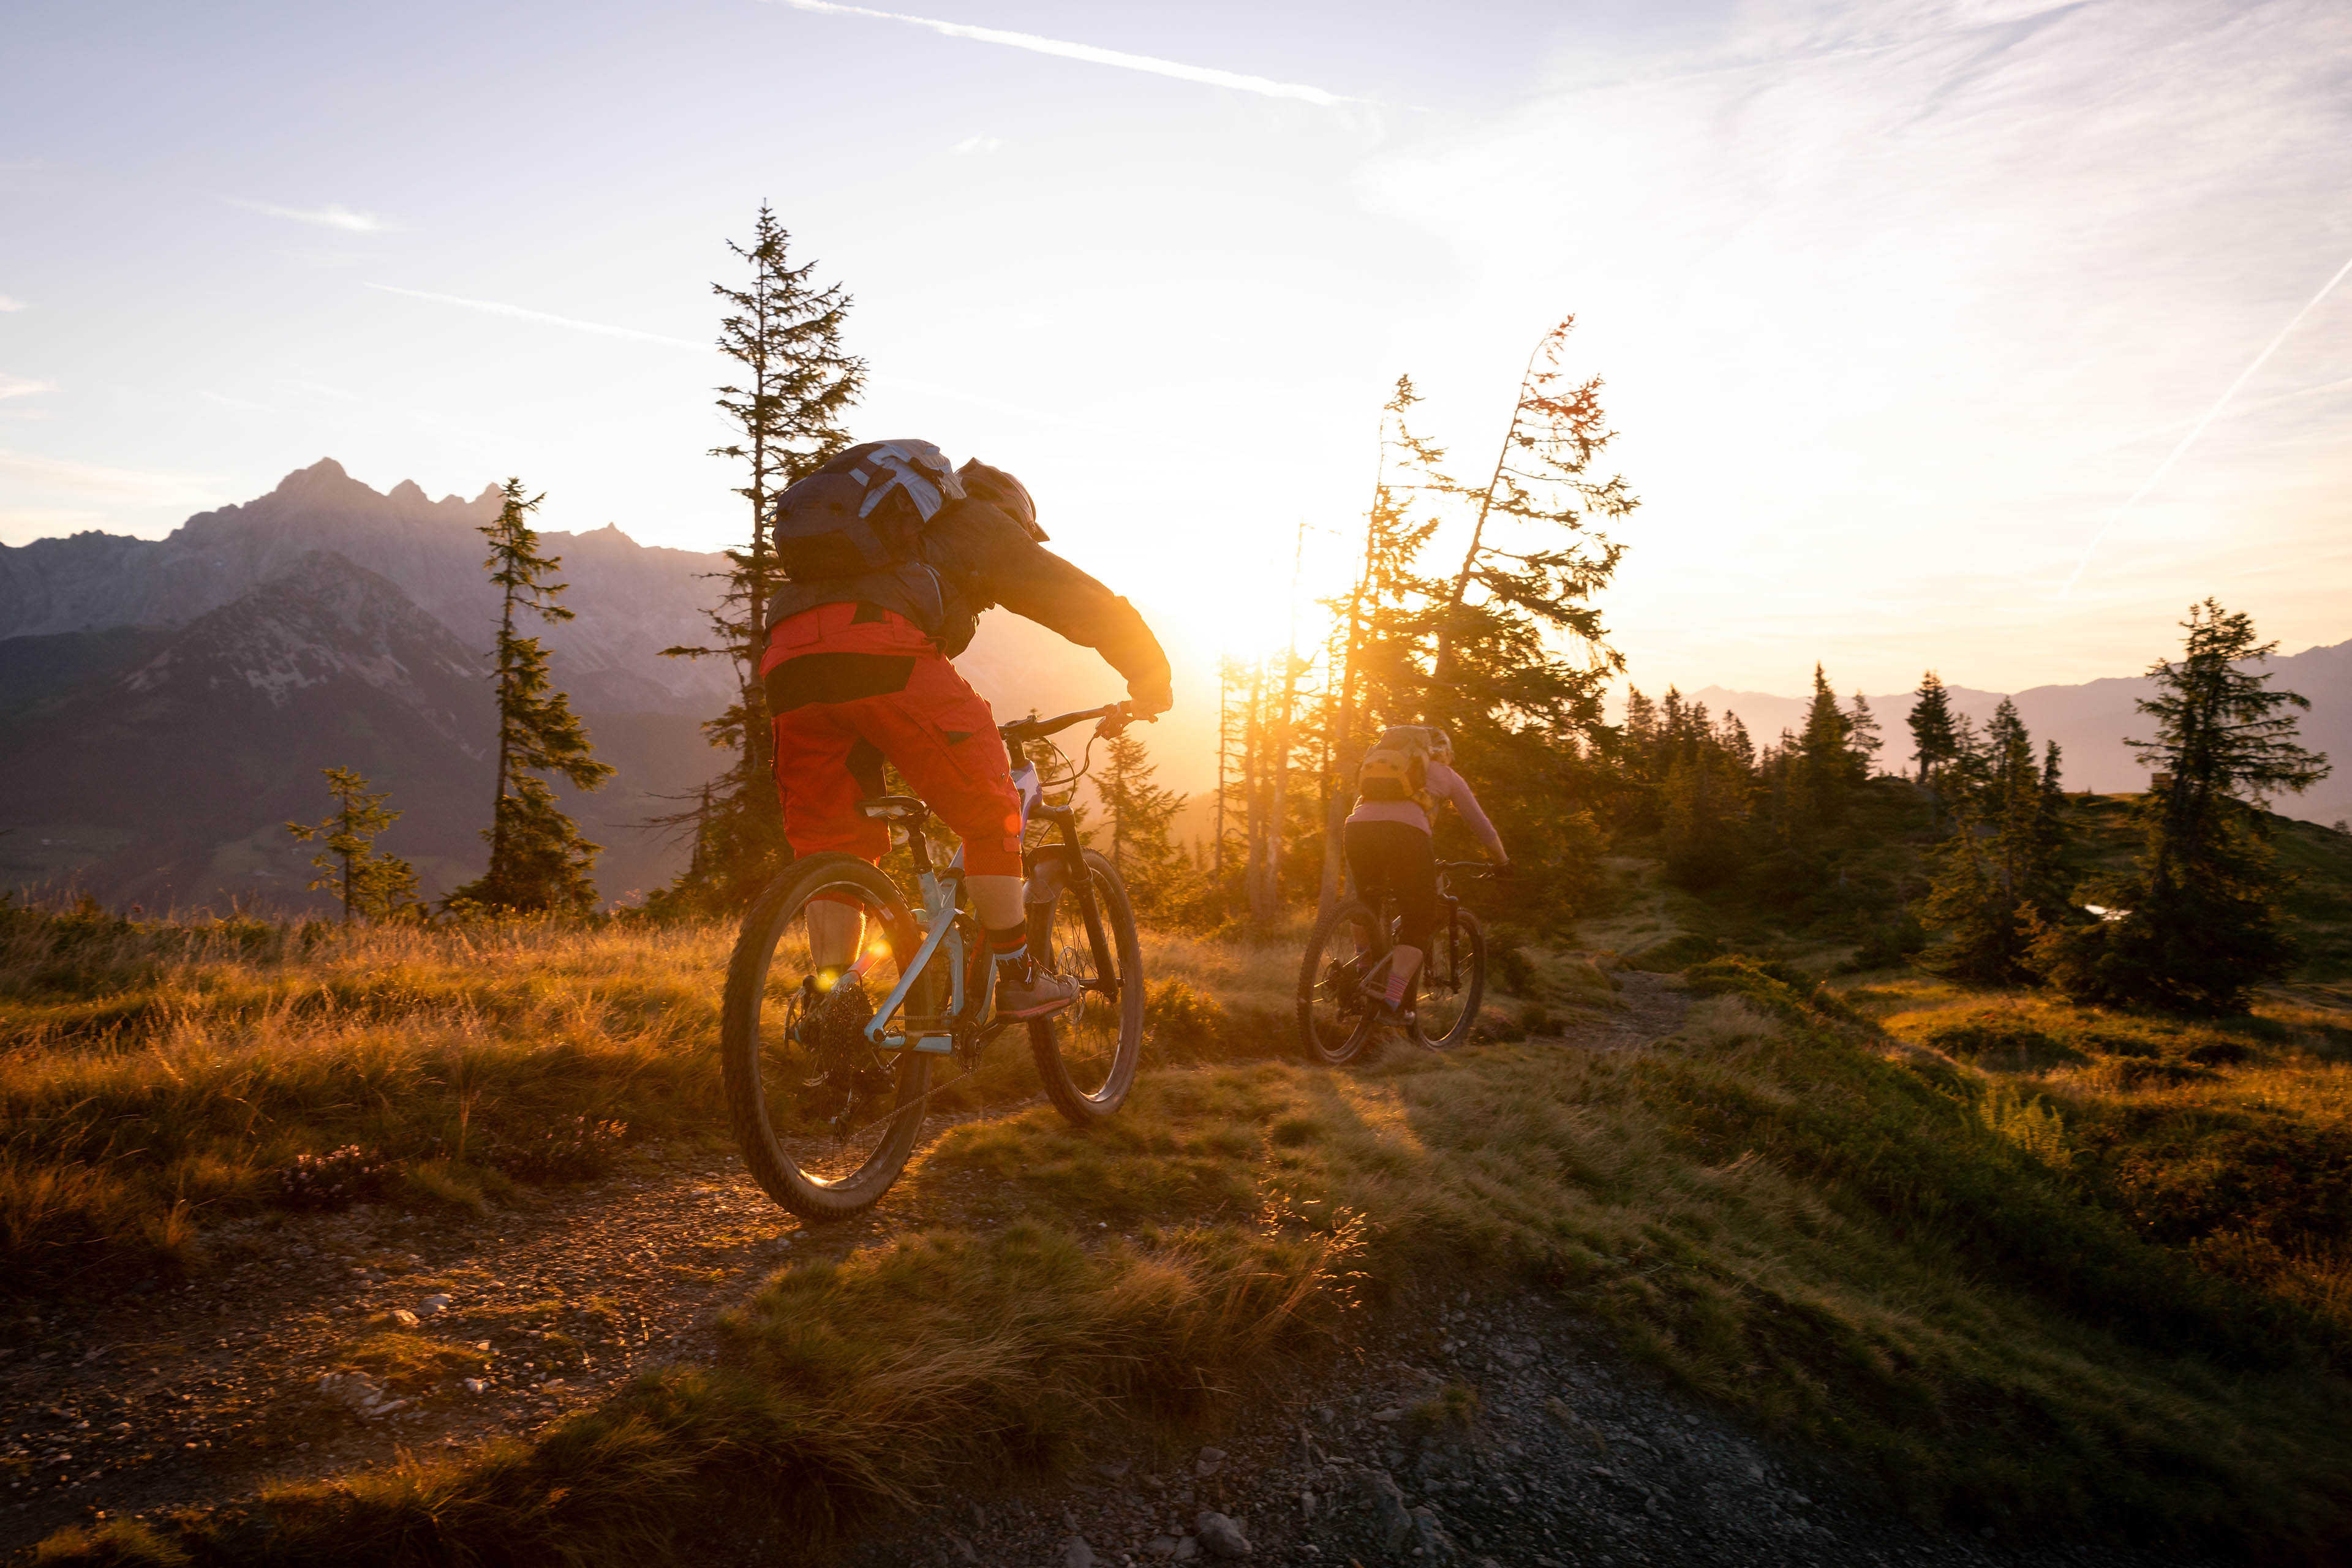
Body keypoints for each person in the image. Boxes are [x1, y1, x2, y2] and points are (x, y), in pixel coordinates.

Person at [760, 440, 1173, 1020]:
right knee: (989, 808)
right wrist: (1149, 673)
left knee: (833, 840)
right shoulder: (980, 522)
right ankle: (1020, 977)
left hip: (788, 660)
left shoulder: (892, 543)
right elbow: (1075, 600)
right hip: (884, 653)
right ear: (1015, 516)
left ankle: (835, 1003)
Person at [1343, 725, 1507, 1019]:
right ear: (1443, 753)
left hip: (1356, 830)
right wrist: (1502, 862)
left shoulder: (1384, 768)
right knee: (1419, 919)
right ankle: (1392, 1001)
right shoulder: (1445, 774)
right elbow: (1480, 824)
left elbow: (1365, 806)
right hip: (1408, 836)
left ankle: (1362, 970)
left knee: (1366, 901)